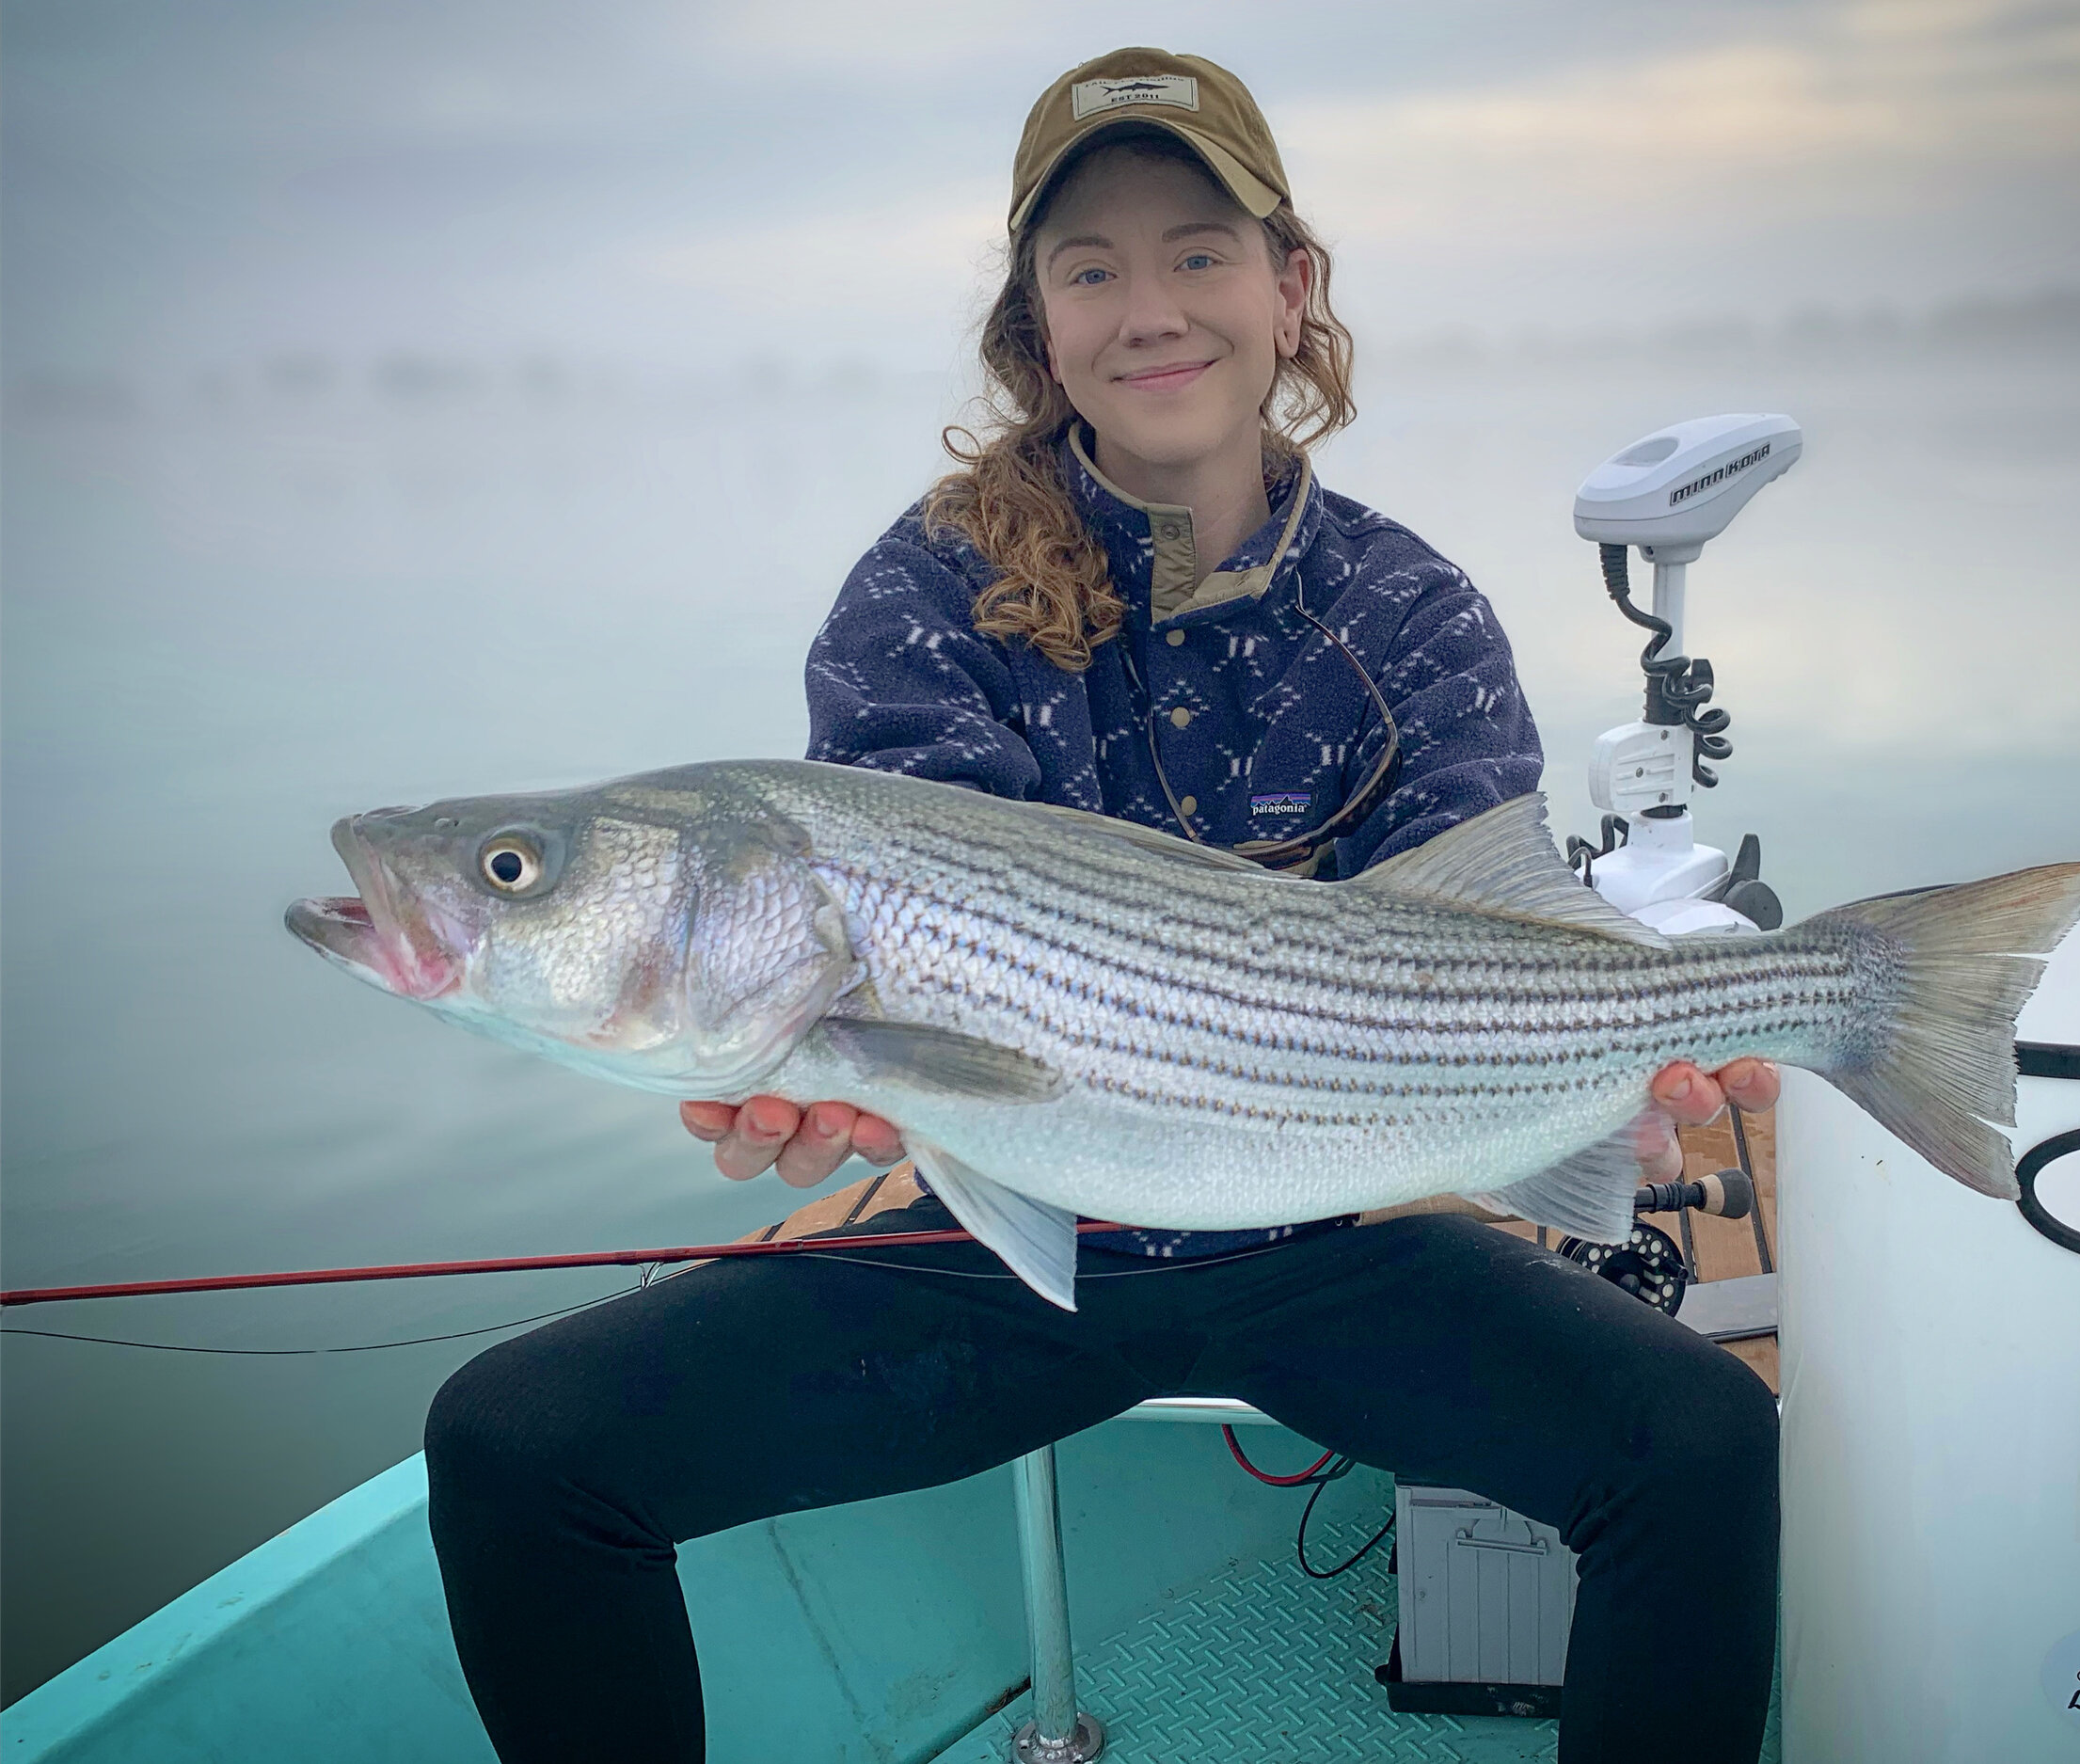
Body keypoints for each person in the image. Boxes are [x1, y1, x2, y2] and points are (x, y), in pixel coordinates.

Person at [425, 48, 1781, 1763]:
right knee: (515, 1449)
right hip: (997, 1247)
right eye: (1091, 268)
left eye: (1199, 252)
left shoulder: (1415, 611)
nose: (1151, 309)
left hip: (1339, 1235)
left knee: (1708, 1449)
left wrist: (1593, 1095)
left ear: (1292, 292)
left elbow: (1481, 951)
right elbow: (907, 980)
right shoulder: (928, 595)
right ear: (1037, 325)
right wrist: (831, 1086)